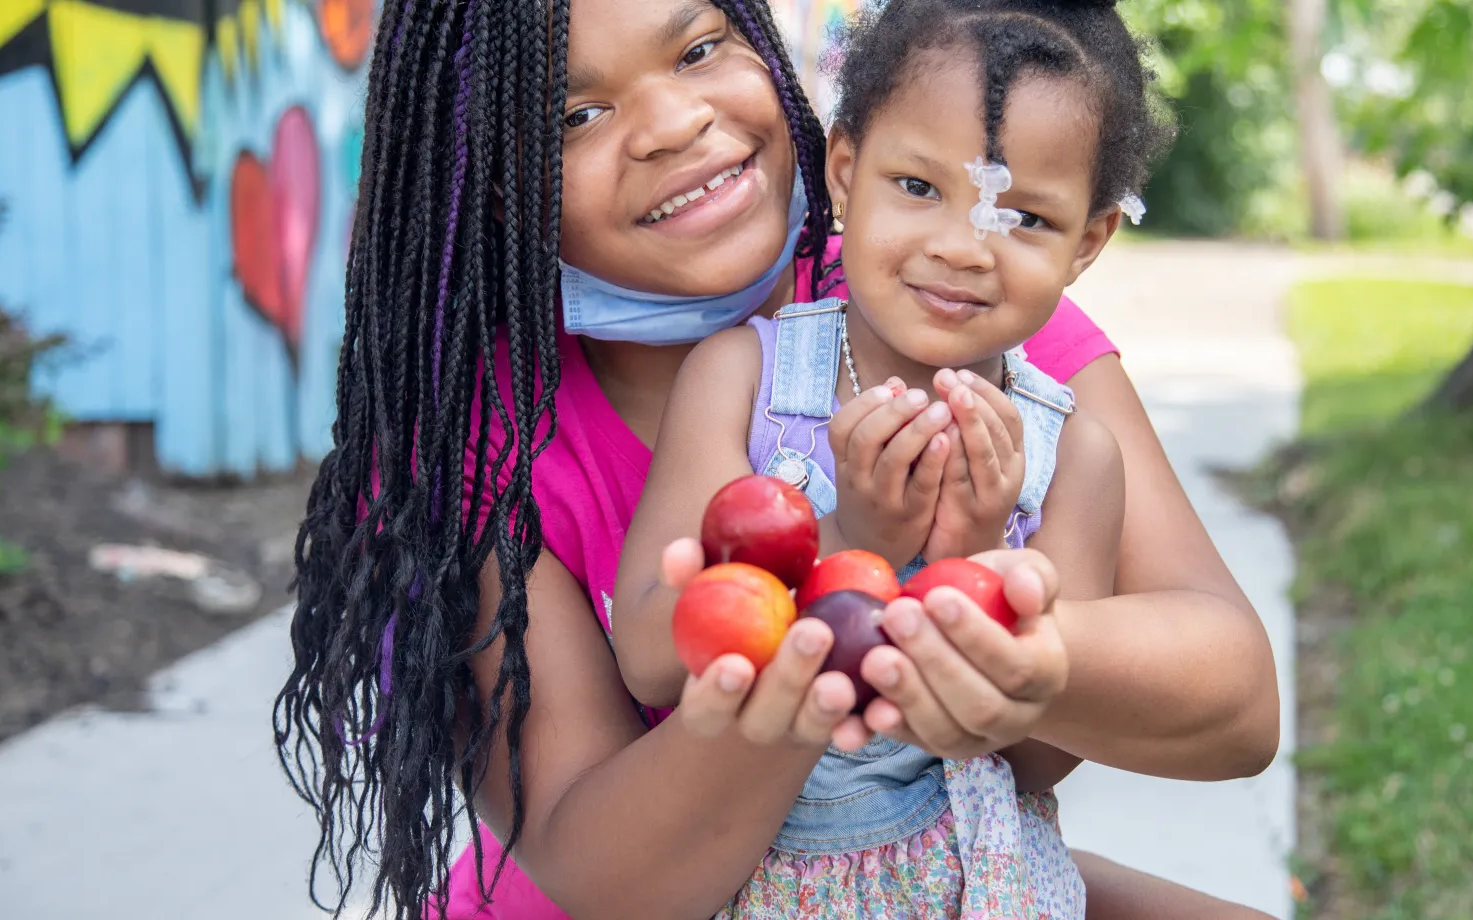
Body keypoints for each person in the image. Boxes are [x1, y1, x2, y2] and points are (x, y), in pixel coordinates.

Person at [274, 0, 1280, 918]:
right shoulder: (482, 433)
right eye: (571, 116)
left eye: (701, 48)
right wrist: (834, 594)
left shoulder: (952, 299)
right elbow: (608, 877)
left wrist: (1025, 649)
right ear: (489, 187)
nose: (672, 123)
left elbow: (1226, 706)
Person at [608, 1, 1161, 914]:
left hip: (989, 888)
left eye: (1022, 216)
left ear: (1088, 244)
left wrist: (968, 562)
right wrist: (845, 534)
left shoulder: (1079, 460)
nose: (961, 246)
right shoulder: (746, 380)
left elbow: (1043, 754)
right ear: (845, 169)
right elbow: (650, 654)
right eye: (916, 187)